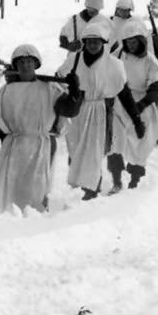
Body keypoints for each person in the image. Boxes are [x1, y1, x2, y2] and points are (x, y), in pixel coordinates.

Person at [0, 45, 83, 219]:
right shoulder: (7, 91)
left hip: (40, 145)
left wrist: (74, 91)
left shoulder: (50, 89)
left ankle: (35, 220)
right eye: (21, 62)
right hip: (13, 146)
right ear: (16, 65)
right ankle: (8, 220)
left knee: (38, 187)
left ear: (35, 64)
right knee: (10, 185)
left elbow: (69, 110)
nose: (25, 66)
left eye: (29, 62)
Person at [55, 21, 139, 200]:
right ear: (84, 42)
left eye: (97, 41)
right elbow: (58, 82)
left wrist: (136, 118)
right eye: (89, 41)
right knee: (75, 149)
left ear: (103, 42)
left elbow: (124, 93)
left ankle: (92, 189)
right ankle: (80, 185)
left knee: (93, 151)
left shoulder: (113, 64)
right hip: (78, 111)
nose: (93, 45)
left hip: (99, 112)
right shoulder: (74, 60)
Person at [109, 20, 158, 190]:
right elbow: (108, 69)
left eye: (134, 41)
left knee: (140, 143)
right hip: (120, 101)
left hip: (142, 104)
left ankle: (135, 178)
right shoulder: (119, 54)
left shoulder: (149, 60)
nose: (131, 44)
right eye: (128, 42)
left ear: (141, 41)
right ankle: (116, 179)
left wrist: (142, 104)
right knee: (116, 142)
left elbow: (157, 85)